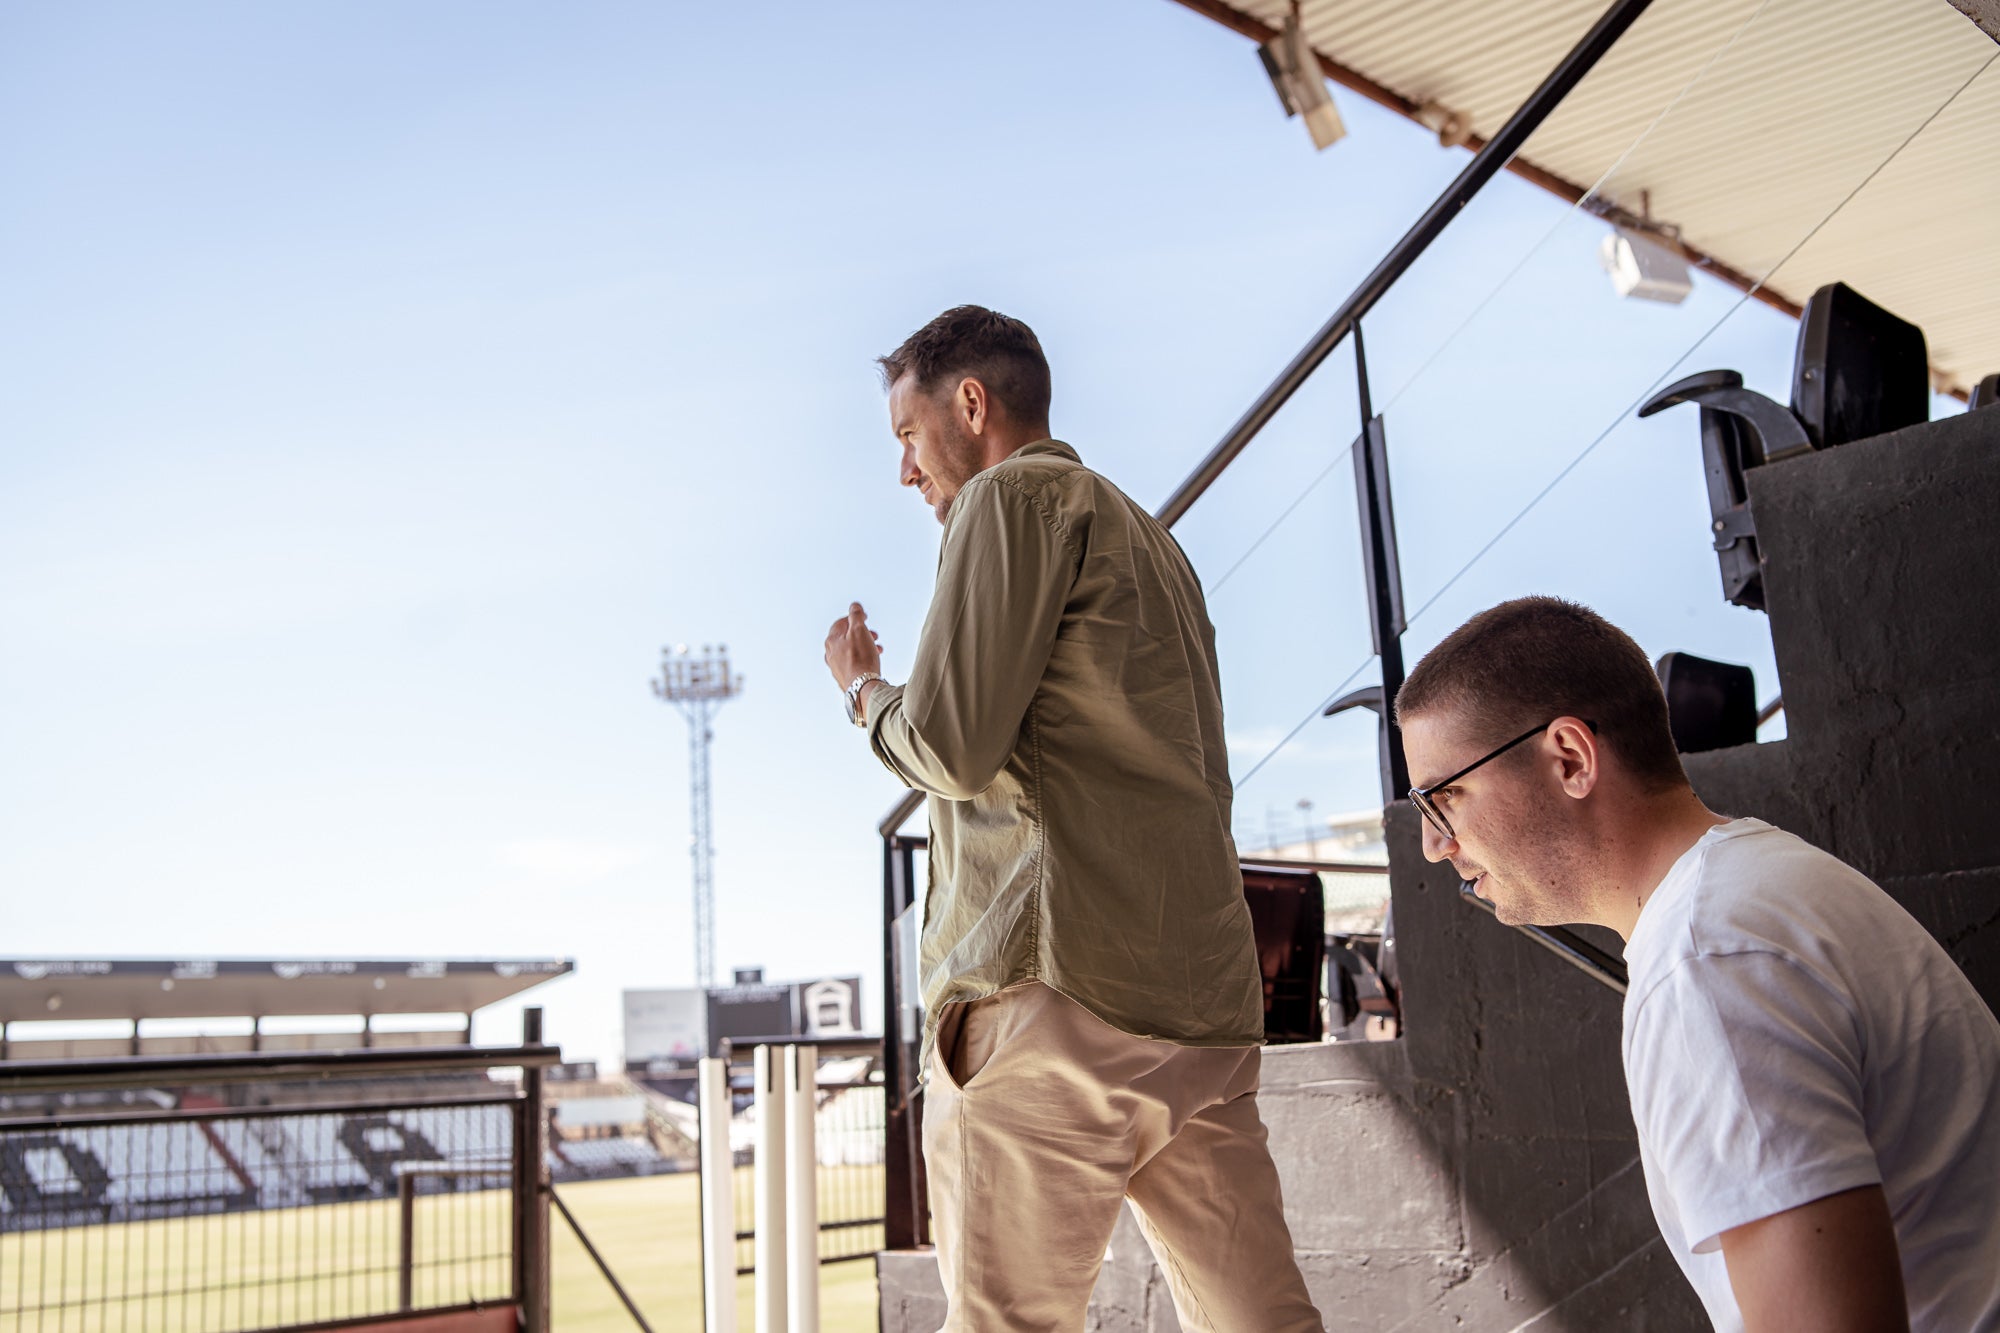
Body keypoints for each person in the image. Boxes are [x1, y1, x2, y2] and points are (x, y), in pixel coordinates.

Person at [821, 305, 1322, 1332]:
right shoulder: (1151, 540)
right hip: (1197, 1008)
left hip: (1056, 998)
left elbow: (952, 747)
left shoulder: (1006, 500)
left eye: (906, 437)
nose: (905, 473)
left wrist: (864, 692)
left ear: (970, 403)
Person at [1394, 595, 2000, 1332]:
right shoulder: (1755, 887)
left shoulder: (1706, 962)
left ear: (1569, 758)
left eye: (1443, 796)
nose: (1435, 844)